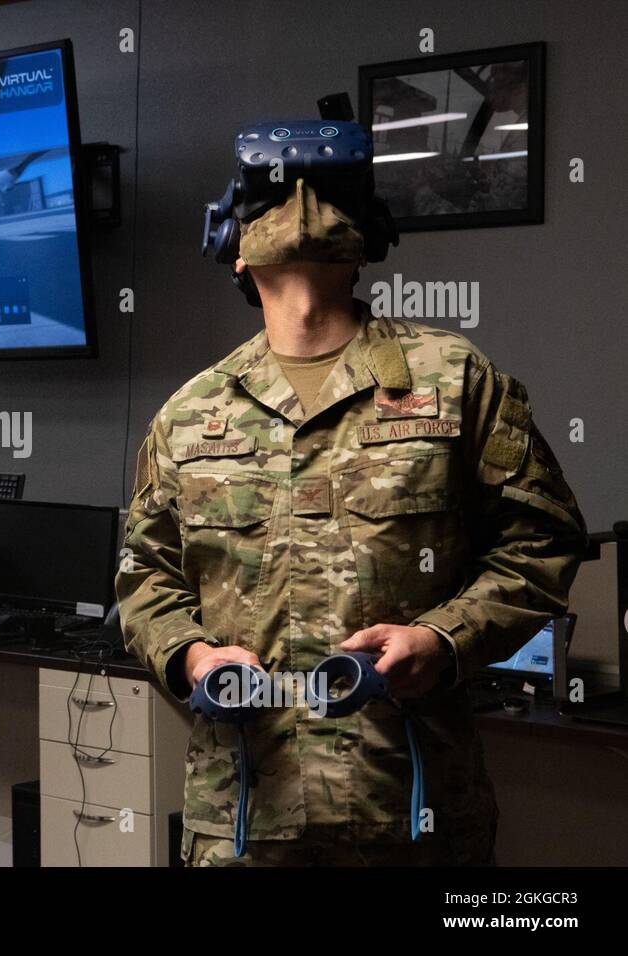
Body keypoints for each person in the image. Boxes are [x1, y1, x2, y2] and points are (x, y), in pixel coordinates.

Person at [116, 156, 585, 866]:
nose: (300, 203)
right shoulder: (189, 416)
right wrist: (193, 657)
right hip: (245, 811)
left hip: (412, 808)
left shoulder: (456, 384)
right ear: (233, 251)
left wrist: (444, 639)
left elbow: (543, 541)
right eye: (270, 196)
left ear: (369, 238)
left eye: (326, 191)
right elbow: (144, 578)